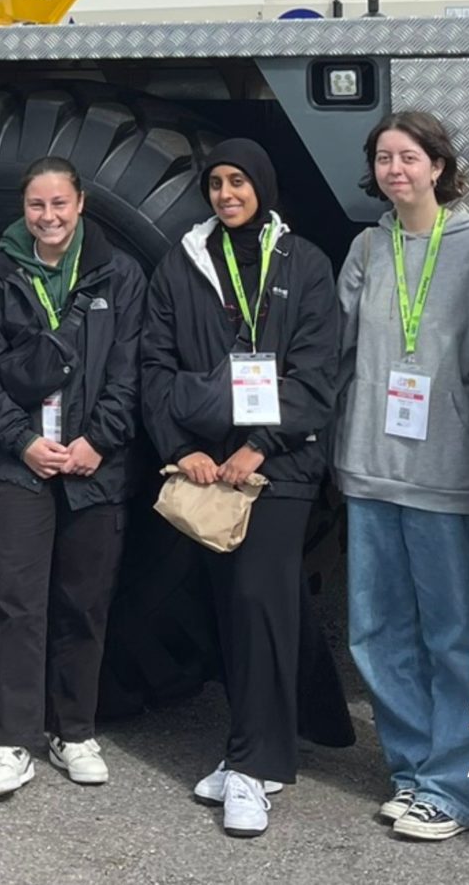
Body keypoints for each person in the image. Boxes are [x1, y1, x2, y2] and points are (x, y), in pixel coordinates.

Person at [142, 139, 348, 839]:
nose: (228, 193)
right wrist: (184, 448)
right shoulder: (182, 263)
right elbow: (155, 366)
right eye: (217, 182)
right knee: (239, 606)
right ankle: (267, 740)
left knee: (259, 597)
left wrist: (258, 443)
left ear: (262, 184)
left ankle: (257, 767)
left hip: (279, 465)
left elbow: (318, 375)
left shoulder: (306, 264)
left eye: (239, 181)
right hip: (206, 469)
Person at [333, 111, 469, 841]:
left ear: (439, 165)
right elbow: (338, 351)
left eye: (409, 156)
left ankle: (458, 785)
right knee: (375, 630)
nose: (395, 169)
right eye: (383, 157)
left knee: (456, 634)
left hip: (445, 474)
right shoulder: (366, 247)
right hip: (369, 468)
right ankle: (411, 768)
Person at [0, 156, 145, 803]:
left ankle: (74, 731)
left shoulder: (119, 274)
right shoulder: (7, 273)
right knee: (15, 601)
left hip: (96, 467)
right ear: (24, 209)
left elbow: (131, 371)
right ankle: (9, 741)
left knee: (83, 602)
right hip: (23, 464)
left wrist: (98, 440)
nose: (48, 216)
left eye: (59, 204)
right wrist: (24, 441)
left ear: (81, 205)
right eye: (37, 205)